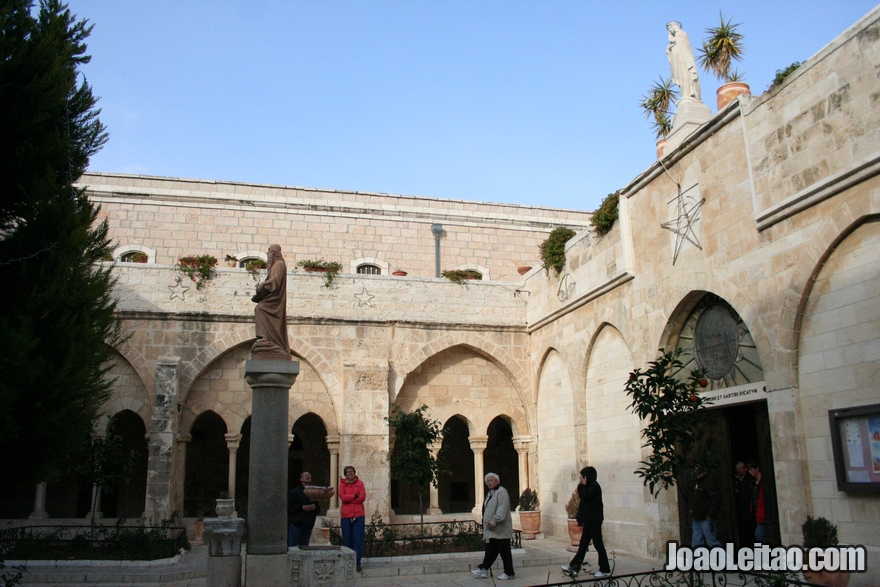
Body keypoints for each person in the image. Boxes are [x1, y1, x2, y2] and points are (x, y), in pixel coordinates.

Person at [561, 467, 611, 578]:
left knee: (598, 544)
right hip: (589, 520)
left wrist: (582, 485)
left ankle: (605, 569)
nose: (580, 479)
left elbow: (585, 497)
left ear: (587, 477)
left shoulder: (594, 487)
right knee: (583, 545)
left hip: (594, 520)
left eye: (582, 477)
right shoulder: (589, 486)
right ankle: (574, 566)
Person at [471, 472, 515, 580]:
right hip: (492, 529)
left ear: (497, 481)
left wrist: (494, 521)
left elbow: (502, 508)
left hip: (500, 529)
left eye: (491, 480)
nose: (489, 483)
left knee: (504, 551)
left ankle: (509, 572)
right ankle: (484, 568)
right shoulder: (491, 493)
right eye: (487, 481)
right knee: (491, 550)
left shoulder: (501, 492)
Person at [251, 244, 289, 358]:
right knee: (259, 308)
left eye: (269, 253)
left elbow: (275, 280)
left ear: (275, 253)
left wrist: (263, 284)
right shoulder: (274, 266)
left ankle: (268, 338)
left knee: (260, 308)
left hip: (275, 300)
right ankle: (265, 337)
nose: (268, 255)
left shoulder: (279, 264)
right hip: (272, 297)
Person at [339, 465, 366, 572]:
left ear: (354, 473)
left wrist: (349, 499)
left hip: (358, 514)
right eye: (348, 472)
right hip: (346, 515)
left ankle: (357, 562)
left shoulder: (360, 483)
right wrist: (355, 496)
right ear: (345, 474)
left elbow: (362, 497)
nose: (350, 473)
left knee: (358, 539)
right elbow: (342, 497)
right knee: (347, 539)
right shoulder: (342, 484)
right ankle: (348, 562)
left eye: (352, 471)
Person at [666, 21, 701, 101]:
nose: (670, 30)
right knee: (681, 77)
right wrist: (669, 49)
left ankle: (689, 93)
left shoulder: (681, 34)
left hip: (684, 60)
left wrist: (674, 42)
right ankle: (685, 93)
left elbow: (685, 47)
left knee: (686, 75)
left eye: (670, 27)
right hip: (677, 62)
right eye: (668, 29)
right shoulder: (673, 40)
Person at [288, 471, 322, 548]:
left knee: (305, 549)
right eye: (305, 475)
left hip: (308, 525)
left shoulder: (314, 492)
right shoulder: (295, 492)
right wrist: (302, 507)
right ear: (301, 479)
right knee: (292, 548)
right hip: (296, 524)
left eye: (309, 475)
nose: (308, 477)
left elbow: (318, 509)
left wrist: (314, 507)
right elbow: (290, 507)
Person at [690, 465, 722, 548]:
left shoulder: (708, 483)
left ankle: (727, 561)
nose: (697, 474)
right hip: (697, 517)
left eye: (699, 472)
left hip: (705, 517)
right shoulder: (698, 483)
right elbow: (697, 500)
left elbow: (715, 499)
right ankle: (698, 560)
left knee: (712, 541)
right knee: (696, 541)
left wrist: (710, 515)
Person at [733, 461, 755, 549]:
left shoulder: (748, 480)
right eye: (743, 468)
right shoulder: (732, 480)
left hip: (748, 510)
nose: (745, 469)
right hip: (738, 511)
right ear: (737, 469)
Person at [747, 461, 768, 544]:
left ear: (757, 469)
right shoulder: (754, 482)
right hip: (758, 510)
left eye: (752, 469)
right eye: (749, 470)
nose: (750, 472)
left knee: (759, 534)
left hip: (762, 510)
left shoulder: (763, 481)